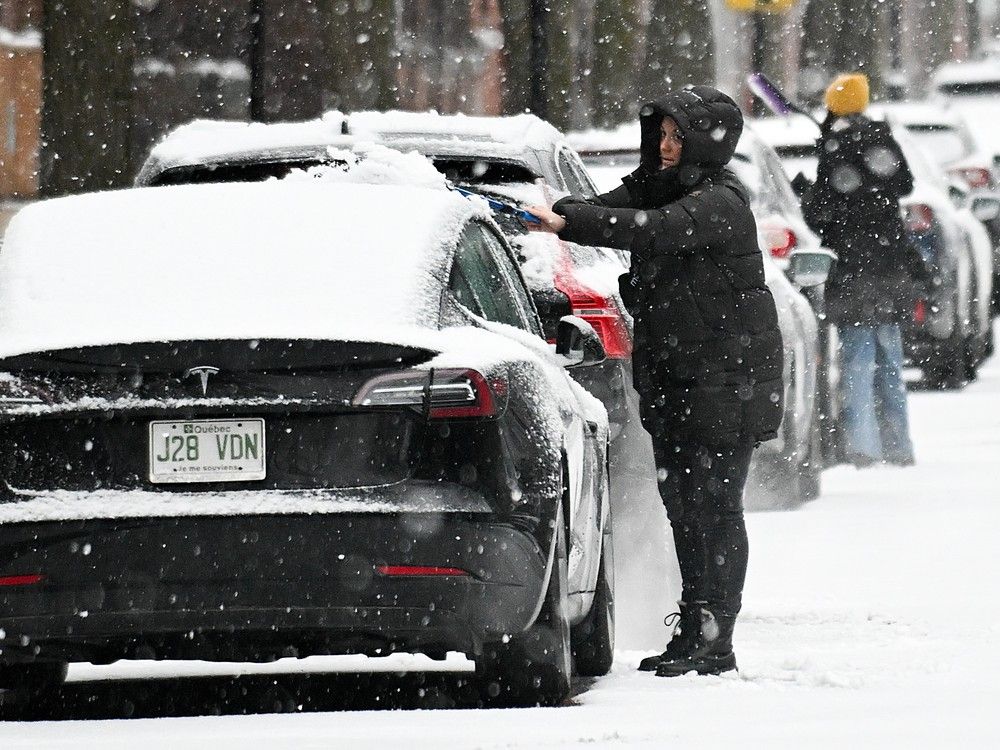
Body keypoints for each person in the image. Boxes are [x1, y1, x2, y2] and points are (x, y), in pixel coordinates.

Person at [527, 86, 784, 677]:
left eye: (677, 136)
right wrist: (550, 211)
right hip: (677, 378)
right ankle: (695, 623)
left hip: (729, 380)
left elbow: (647, 229)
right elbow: (610, 206)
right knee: (683, 506)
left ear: (706, 141)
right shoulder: (660, 184)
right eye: (662, 134)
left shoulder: (720, 202)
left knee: (714, 506)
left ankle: (715, 637)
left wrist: (568, 220)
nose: (666, 146)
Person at [802, 73, 927, 467]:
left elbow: (821, 211)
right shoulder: (880, 139)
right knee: (890, 354)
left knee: (857, 357)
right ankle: (898, 444)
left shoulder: (835, 146)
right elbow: (904, 183)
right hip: (889, 264)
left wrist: (813, 190)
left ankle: (863, 445)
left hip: (853, 267)